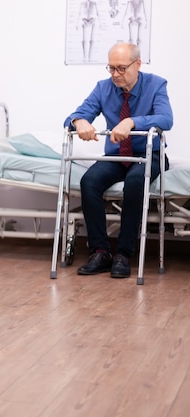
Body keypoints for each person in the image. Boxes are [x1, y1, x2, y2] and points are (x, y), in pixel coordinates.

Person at [64, 42, 173, 278]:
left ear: (138, 64)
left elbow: (166, 119)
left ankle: (123, 254)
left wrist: (134, 122)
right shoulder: (103, 88)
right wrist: (78, 121)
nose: (115, 74)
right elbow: (78, 113)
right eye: (111, 68)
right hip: (117, 155)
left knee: (135, 181)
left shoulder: (156, 85)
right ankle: (101, 252)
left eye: (121, 68)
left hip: (149, 154)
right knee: (89, 181)